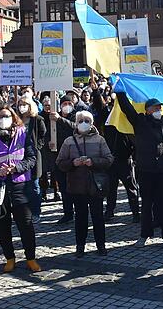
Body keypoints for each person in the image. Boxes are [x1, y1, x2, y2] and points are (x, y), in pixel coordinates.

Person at [117, 95, 163, 248]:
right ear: (147, 110)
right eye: (155, 108)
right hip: (146, 169)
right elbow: (126, 108)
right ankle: (144, 234)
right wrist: (119, 91)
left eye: (160, 108)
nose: (159, 110)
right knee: (147, 204)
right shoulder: (140, 122)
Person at [0, 105, 40, 273]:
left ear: (13, 118)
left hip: (20, 186)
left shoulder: (23, 134)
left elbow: (31, 158)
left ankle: (31, 258)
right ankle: (10, 258)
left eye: (6, 116)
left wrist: (17, 168)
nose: (3, 119)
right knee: (2, 226)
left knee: (26, 225)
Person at [56, 110, 113, 257]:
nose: (83, 123)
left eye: (87, 120)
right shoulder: (69, 141)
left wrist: (93, 162)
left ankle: (101, 245)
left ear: (92, 123)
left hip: (95, 185)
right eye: (81, 120)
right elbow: (60, 162)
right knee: (80, 218)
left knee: (98, 217)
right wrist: (73, 163)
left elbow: (109, 159)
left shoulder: (100, 140)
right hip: (77, 186)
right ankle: (80, 247)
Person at [48, 94, 78, 224]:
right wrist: (49, 142)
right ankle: (67, 213)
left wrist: (60, 119)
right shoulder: (53, 118)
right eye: (64, 104)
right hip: (59, 157)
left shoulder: (77, 115)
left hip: (74, 156)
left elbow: (75, 128)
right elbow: (48, 133)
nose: (66, 106)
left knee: (76, 186)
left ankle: (79, 211)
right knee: (64, 187)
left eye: (69, 104)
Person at [17, 97, 47, 223]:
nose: (22, 107)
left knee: (34, 185)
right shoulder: (16, 120)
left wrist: (36, 148)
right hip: (18, 156)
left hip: (33, 156)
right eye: (20, 104)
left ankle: (35, 212)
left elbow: (43, 135)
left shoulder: (37, 119)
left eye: (25, 104)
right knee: (21, 186)